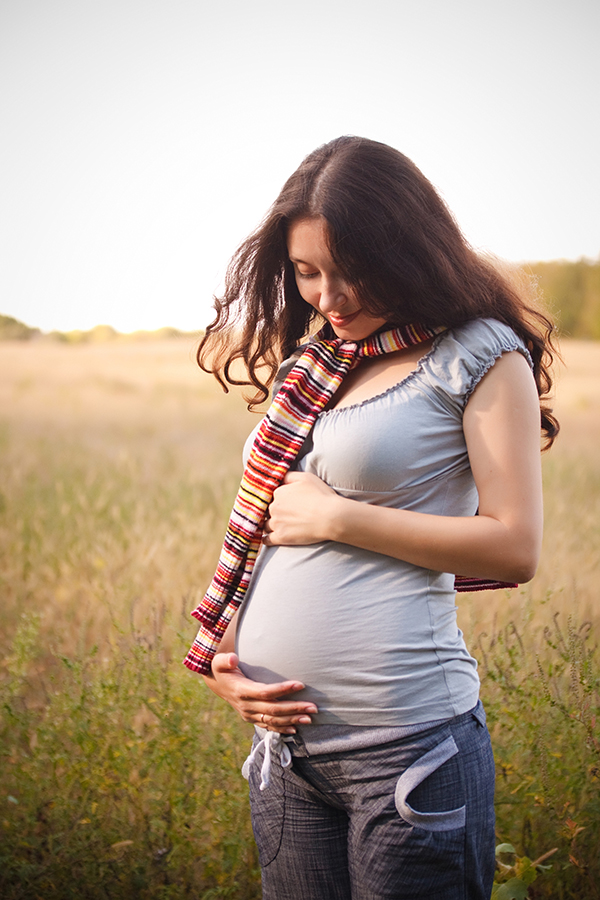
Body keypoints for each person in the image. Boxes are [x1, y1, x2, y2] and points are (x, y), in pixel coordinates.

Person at [184, 136, 558, 900]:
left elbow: (514, 546)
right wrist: (229, 657)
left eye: (349, 270)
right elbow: (264, 529)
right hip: (288, 755)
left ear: (407, 251)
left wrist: (339, 519)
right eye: (307, 271)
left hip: (408, 751)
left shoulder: (479, 355)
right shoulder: (314, 366)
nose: (327, 295)